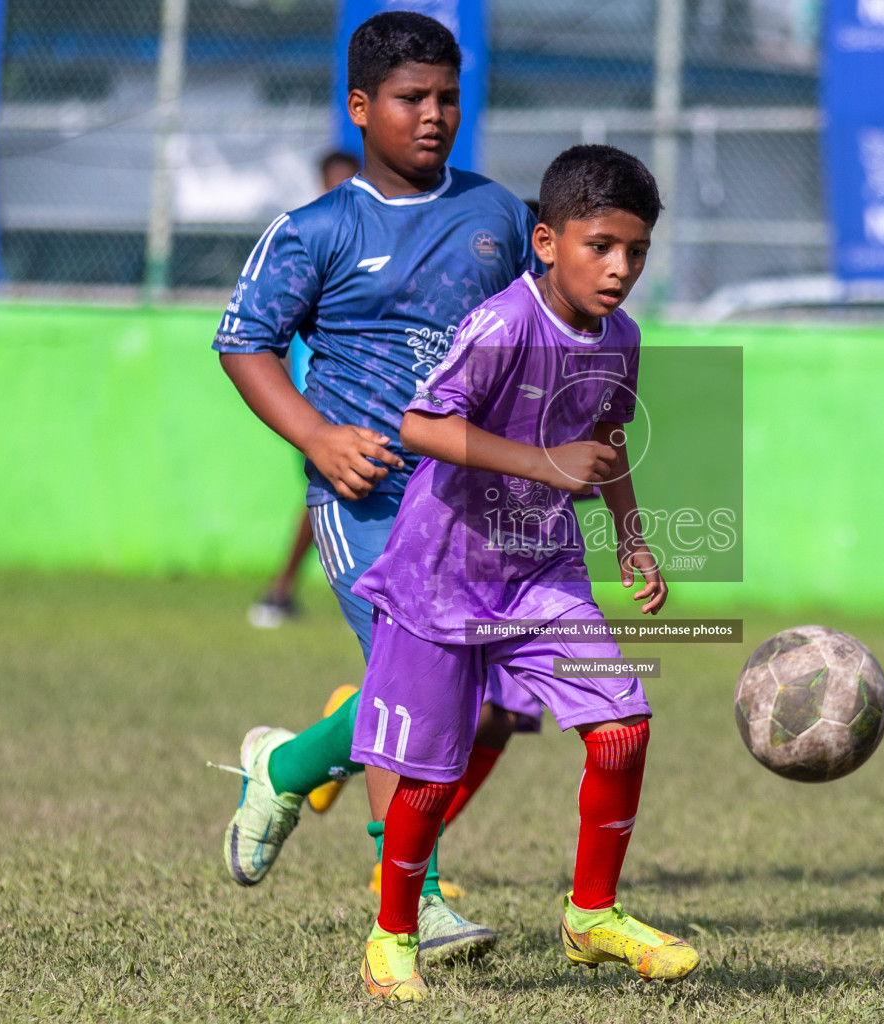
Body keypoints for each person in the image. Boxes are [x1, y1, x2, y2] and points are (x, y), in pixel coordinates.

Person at [211, 11, 545, 960]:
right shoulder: (317, 230)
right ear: (362, 108)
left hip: (470, 502)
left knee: (494, 703)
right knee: (427, 690)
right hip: (365, 499)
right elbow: (245, 344)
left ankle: (289, 761)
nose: (434, 115)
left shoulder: (500, 217)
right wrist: (317, 437)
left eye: (447, 97)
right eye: (411, 99)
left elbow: (539, 332)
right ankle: (416, 899)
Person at [351, 144, 699, 1000]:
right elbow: (425, 427)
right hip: (442, 577)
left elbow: (609, 438)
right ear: (546, 242)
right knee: (431, 776)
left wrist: (633, 539)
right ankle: (391, 937)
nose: (621, 270)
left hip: (545, 570)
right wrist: (543, 463)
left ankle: (592, 916)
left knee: (623, 727)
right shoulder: (505, 324)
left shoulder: (622, 337)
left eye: (637, 251)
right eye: (600, 247)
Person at [247, 150, 361, 629]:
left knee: (344, 491)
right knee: (331, 487)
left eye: (348, 185)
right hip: (317, 402)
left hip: (366, 395)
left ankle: (284, 589)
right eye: (331, 186)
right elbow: (256, 340)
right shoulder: (312, 245)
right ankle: (282, 588)